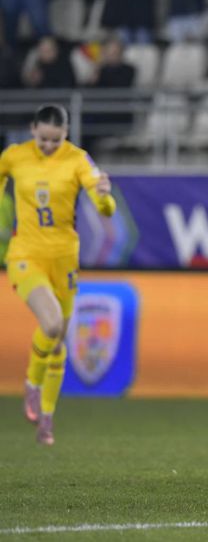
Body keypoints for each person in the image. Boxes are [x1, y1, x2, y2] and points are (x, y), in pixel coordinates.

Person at [0, 105, 116, 446]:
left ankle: (46, 422)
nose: (49, 145)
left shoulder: (78, 159)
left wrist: (106, 198)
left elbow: (103, 205)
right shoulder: (14, 156)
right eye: (43, 138)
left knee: (58, 341)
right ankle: (32, 384)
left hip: (64, 260)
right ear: (32, 129)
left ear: (66, 134)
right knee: (51, 325)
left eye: (56, 139)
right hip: (26, 256)